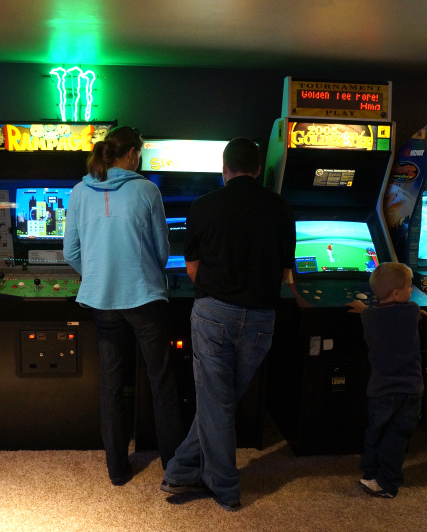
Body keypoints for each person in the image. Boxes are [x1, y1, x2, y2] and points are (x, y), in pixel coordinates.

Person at [160, 137, 299, 511]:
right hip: (261, 319)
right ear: (258, 169)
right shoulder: (281, 207)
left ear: (224, 169)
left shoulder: (203, 205)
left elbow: (191, 269)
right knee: (219, 402)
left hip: (213, 314)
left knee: (216, 402)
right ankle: (180, 470)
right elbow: (285, 272)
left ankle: (224, 487)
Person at [63, 125, 185, 486]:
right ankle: (174, 469)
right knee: (161, 380)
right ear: (131, 153)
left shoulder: (79, 191)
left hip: (102, 300)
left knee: (111, 382)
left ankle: (117, 470)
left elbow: (70, 252)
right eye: (140, 153)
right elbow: (162, 250)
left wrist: (97, 274)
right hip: (144, 297)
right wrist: (146, 271)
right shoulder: (147, 190)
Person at [346, 261, 427, 499]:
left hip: (382, 390)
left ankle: (374, 474)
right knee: (398, 437)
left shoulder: (370, 316)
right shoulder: (412, 310)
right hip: (411, 390)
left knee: (376, 432)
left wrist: (362, 306)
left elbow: (370, 313)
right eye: (409, 286)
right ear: (397, 293)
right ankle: (387, 480)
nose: (411, 290)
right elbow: (411, 315)